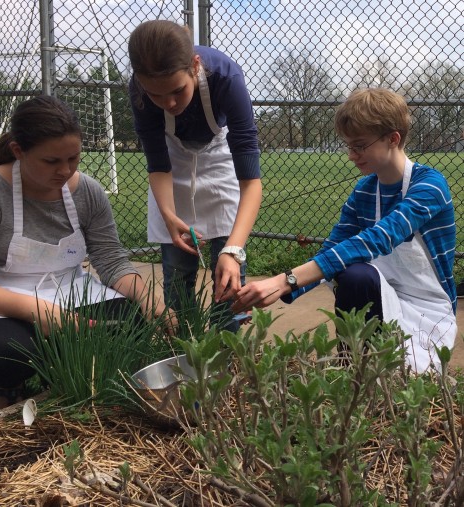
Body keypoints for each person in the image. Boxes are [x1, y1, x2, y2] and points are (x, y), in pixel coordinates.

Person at [0, 95, 177, 413]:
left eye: (73, 159)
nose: (64, 171)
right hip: (1, 301)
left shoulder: (88, 192)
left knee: (134, 322)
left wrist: (150, 299)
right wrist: (40, 312)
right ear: (19, 152)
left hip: (72, 293)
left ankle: (63, 378)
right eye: (51, 162)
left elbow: (110, 258)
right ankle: (8, 385)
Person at [233, 88, 457, 373]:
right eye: (348, 145)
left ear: (393, 138)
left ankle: (392, 377)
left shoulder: (430, 186)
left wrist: (284, 280)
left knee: (357, 264)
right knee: (353, 275)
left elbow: (380, 238)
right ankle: (354, 370)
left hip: (429, 310)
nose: (351, 155)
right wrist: (277, 291)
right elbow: (333, 251)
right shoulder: (364, 191)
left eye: (360, 145)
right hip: (383, 294)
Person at [128, 20, 262, 331]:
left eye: (177, 90)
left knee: (227, 270)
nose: (170, 103)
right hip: (172, 158)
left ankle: (227, 350)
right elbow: (158, 163)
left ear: (195, 66)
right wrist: (168, 215)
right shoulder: (138, 90)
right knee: (176, 268)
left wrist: (233, 249)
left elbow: (251, 184)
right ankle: (184, 347)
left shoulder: (227, 77)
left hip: (218, 154)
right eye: (156, 96)